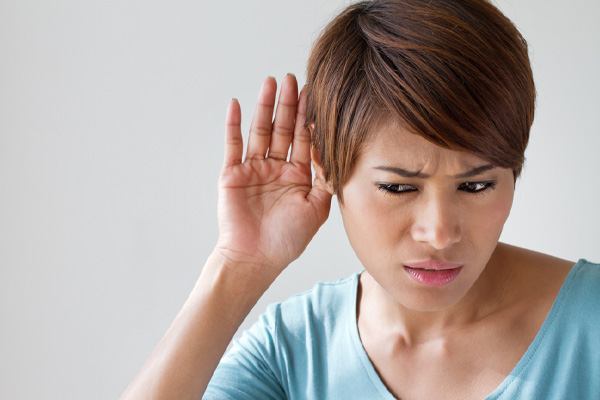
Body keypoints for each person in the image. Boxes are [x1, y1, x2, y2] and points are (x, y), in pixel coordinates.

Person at [121, 0, 600, 399]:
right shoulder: (293, 353)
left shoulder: (590, 325)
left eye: (475, 186)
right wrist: (237, 267)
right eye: (398, 187)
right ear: (325, 168)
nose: (439, 231)